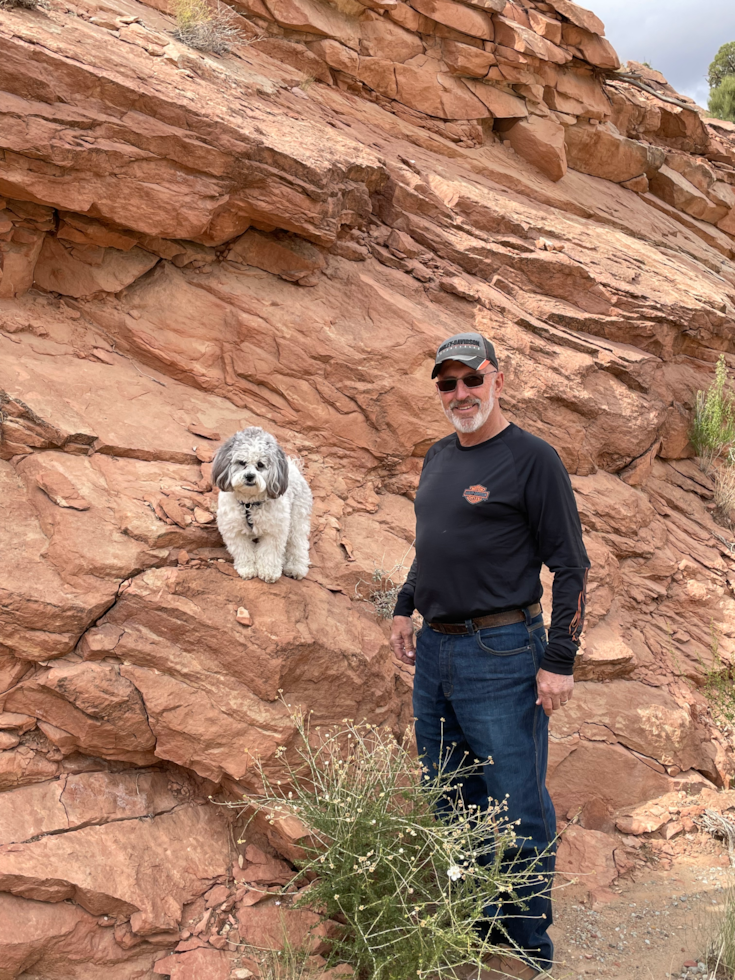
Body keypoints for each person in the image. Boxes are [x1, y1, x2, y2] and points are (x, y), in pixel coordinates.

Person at [390, 332, 590, 979]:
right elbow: (431, 545)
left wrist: (559, 659)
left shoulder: (533, 460)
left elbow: (571, 566)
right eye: (447, 384)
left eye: (471, 379)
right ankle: (475, 932)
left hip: (502, 651)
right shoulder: (436, 456)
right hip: (435, 653)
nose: (460, 394)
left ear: (497, 381)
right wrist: (403, 605)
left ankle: (525, 953)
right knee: (451, 798)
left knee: (516, 804)